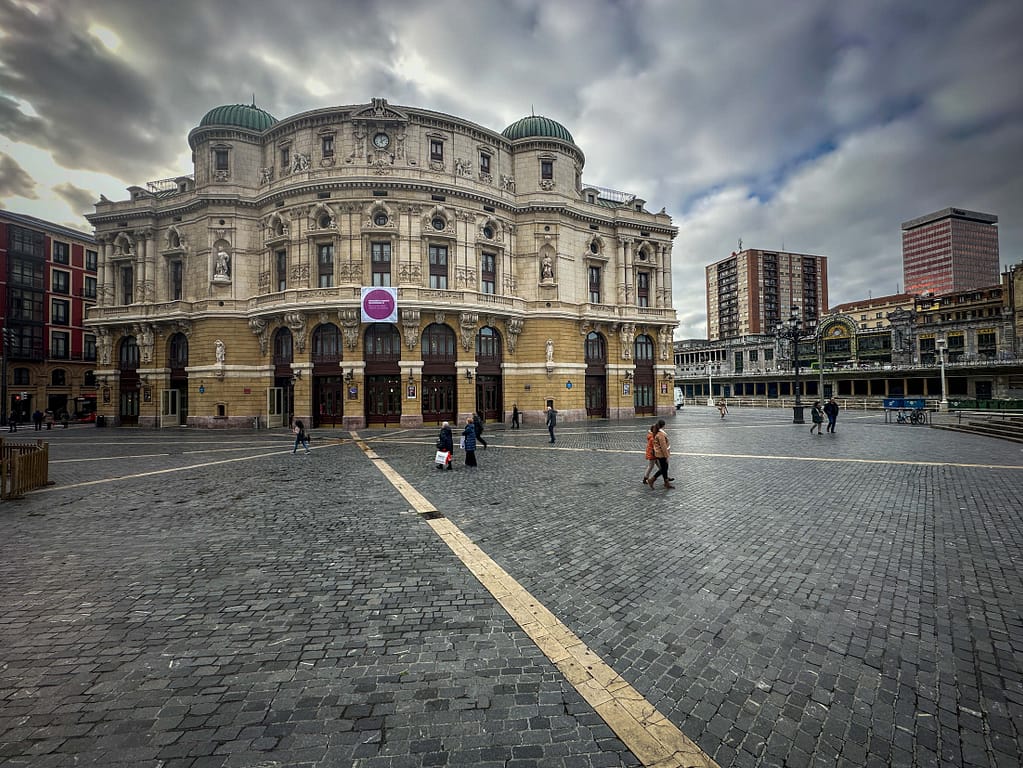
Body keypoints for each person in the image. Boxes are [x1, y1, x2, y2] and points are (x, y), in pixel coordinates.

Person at [646, 419, 674, 489]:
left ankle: (666, 483)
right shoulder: (661, 434)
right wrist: (667, 456)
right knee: (663, 469)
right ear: (663, 425)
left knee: (664, 468)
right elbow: (663, 446)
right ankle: (651, 480)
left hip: (659, 454)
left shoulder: (658, 433)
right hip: (662, 454)